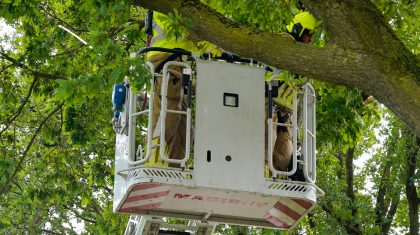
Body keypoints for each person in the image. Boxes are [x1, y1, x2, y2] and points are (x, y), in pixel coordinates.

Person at [144, 11, 220, 168]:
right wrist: (212, 46)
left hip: (178, 64)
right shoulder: (167, 6)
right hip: (166, 60)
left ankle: (175, 166)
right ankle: (155, 161)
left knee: (183, 127)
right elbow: (185, 30)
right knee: (167, 116)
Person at [267, 11, 317, 180]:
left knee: (284, 158)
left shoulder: (302, 55)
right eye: (308, 34)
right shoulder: (284, 43)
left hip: (284, 114)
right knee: (265, 148)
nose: (310, 40)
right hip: (267, 106)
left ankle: (277, 182)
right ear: (298, 30)